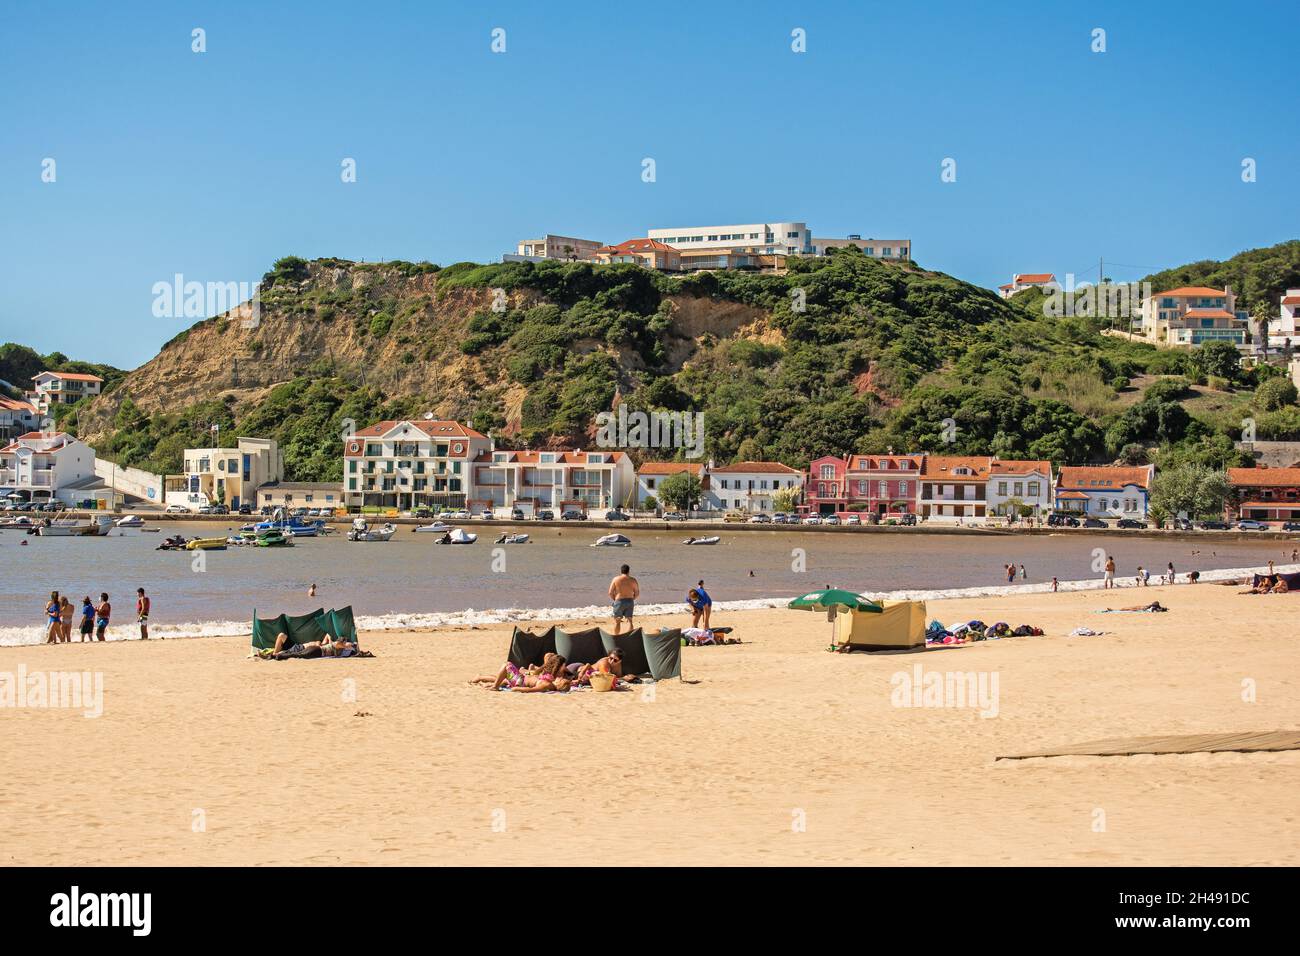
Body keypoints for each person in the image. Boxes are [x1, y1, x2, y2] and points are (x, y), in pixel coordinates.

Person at [608, 564, 639, 635]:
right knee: (630, 621)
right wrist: (632, 599)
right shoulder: (633, 580)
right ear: (628, 571)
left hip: (619, 601)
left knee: (617, 621)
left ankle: (616, 637)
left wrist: (615, 599)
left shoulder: (616, 579)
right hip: (630, 601)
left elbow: (610, 592)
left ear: (621, 571)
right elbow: (637, 592)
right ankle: (629, 637)